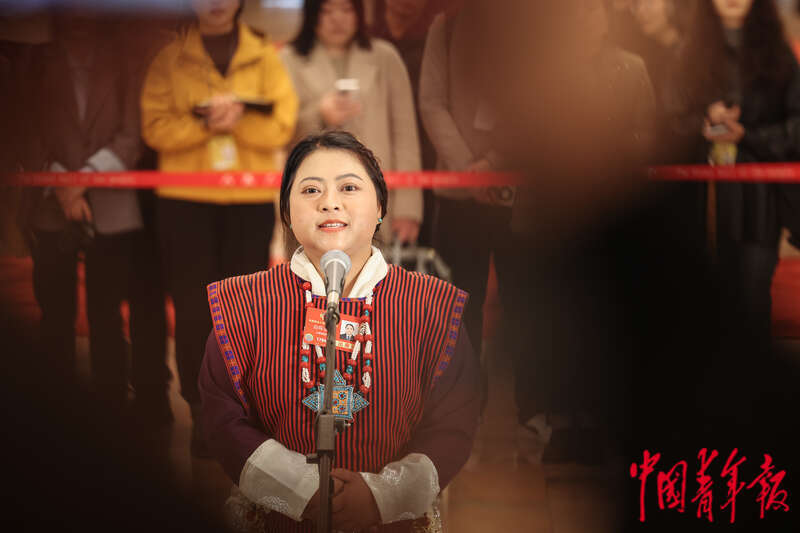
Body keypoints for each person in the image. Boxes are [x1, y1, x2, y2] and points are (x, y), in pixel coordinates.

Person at [198, 131, 480, 532]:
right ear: (286, 212)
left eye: (349, 187)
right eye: (311, 190)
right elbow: (223, 417)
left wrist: (380, 497)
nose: (329, 202)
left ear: (380, 206)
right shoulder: (243, 305)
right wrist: (301, 489)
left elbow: (454, 423)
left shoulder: (433, 308)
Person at [140, 0, 298, 456]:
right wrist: (207, 125)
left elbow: (282, 126)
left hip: (247, 201)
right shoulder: (169, 58)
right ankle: (200, 411)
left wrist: (239, 120)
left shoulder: (264, 57)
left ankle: (241, 413)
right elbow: (155, 128)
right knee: (193, 309)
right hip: (184, 201)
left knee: (244, 312)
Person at [20, 11, 170, 420]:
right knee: (54, 310)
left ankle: (109, 407)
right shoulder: (36, 63)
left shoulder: (122, 62)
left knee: (107, 313)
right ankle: (55, 407)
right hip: (49, 203)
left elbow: (132, 133)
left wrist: (82, 180)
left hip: (114, 205)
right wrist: (59, 182)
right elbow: (23, 129)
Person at [666, 0, 800, 355]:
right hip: (702, 199)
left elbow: (797, 127)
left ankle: (754, 385)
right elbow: (664, 125)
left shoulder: (778, 55)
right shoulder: (687, 54)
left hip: (760, 200)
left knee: (754, 298)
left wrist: (748, 135)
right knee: (704, 301)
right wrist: (701, 124)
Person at [279, 0, 423, 247]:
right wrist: (318, 114)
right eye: (327, 10)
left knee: (372, 266)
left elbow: (405, 135)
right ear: (312, 14)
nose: (337, 18)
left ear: (358, 14)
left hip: (373, 190)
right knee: (310, 266)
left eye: (346, 9)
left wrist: (408, 209)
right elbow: (279, 131)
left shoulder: (385, 57)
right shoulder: (288, 59)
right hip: (311, 194)